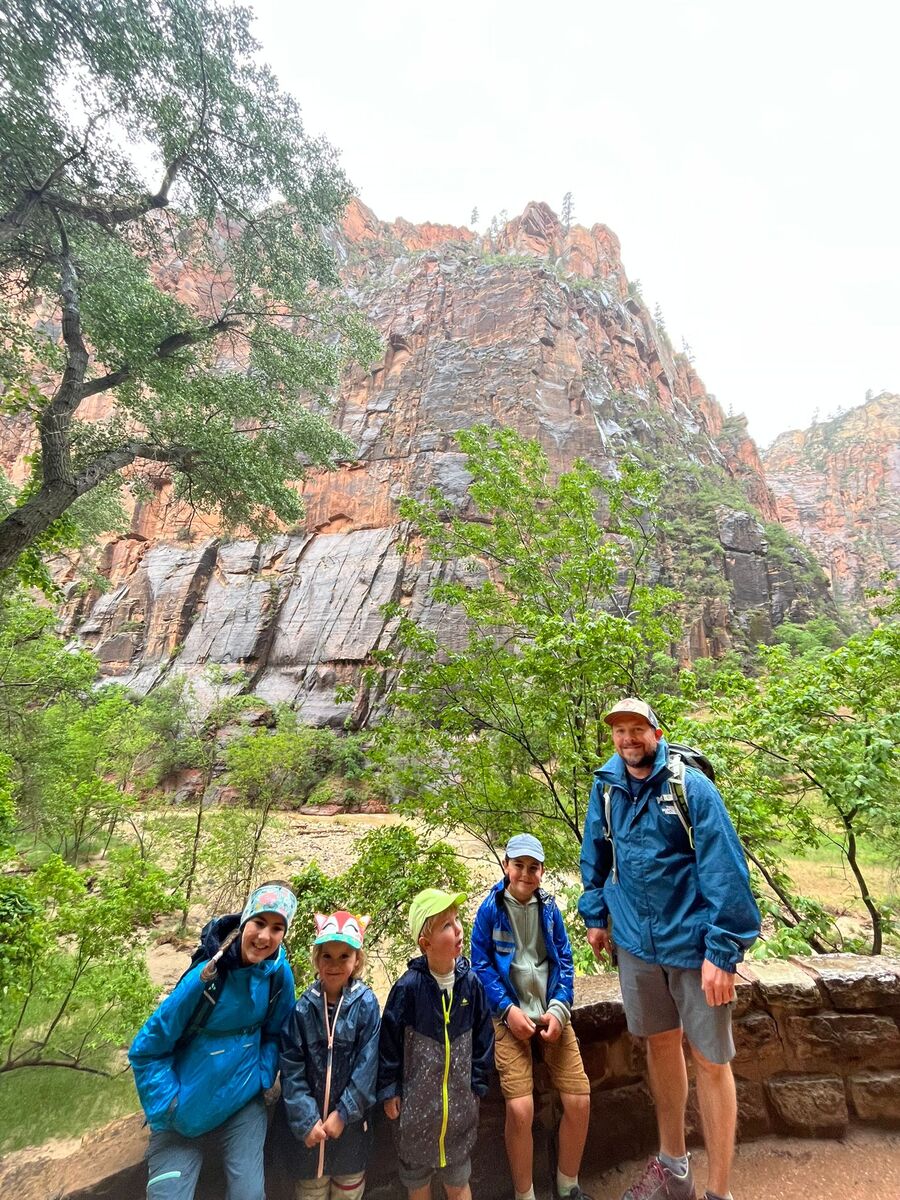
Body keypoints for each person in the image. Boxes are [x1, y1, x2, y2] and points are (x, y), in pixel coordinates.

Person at [579, 699, 760, 1200]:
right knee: (660, 1045)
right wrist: (595, 915)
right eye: (620, 731)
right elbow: (595, 851)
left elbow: (725, 870)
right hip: (637, 944)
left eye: (638, 729)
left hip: (693, 945)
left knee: (710, 1061)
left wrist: (723, 952)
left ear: (656, 733)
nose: (628, 739)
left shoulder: (690, 788)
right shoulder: (607, 786)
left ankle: (718, 1192)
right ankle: (674, 1168)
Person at [129, 880, 298, 1200]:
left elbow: (279, 1032)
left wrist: (261, 1076)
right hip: (181, 1115)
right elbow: (146, 1049)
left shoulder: (278, 975)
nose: (264, 936)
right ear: (245, 919)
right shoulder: (206, 978)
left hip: (242, 1105)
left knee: (249, 1194)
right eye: (259, 923)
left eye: (277, 928)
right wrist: (170, 1104)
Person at [471, 833, 592, 1200]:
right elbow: (480, 965)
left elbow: (565, 961)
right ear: (507, 866)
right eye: (519, 865)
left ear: (542, 871)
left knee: (579, 1100)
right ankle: (525, 1194)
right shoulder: (490, 910)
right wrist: (507, 1010)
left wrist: (559, 1008)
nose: (525, 873)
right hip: (508, 1015)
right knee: (520, 1109)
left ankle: (568, 1186)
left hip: (551, 1011)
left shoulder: (550, 909)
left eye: (533, 867)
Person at [377, 888, 494, 1200]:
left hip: (458, 1113)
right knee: (417, 1185)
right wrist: (389, 1090)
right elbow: (388, 1044)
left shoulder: (471, 985)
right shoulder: (408, 990)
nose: (457, 929)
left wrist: (478, 1084)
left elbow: (484, 1037)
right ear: (424, 943)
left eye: (456, 921)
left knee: (458, 1182)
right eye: (446, 926)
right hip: (415, 1116)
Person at [280, 910, 381, 1200]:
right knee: (311, 1193)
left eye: (344, 957)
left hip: (350, 1132)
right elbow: (291, 1068)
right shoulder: (303, 1009)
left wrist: (343, 1112)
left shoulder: (366, 1005)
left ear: (357, 960)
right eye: (328, 956)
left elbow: (368, 1065)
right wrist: (306, 1119)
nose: (335, 965)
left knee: (348, 1192)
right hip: (310, 1139)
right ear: (317, 959)